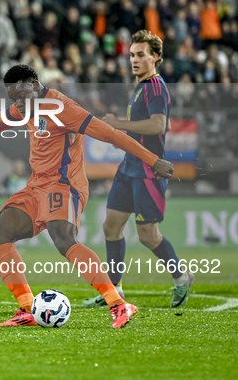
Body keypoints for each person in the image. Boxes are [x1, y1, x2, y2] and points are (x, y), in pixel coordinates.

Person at [0, 64, 174, 329]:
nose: (19, 104)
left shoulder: (63, 108)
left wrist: (152, 160)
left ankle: (118, 304)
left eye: (22, 96)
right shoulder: (24, 107)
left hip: (65, 184)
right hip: (36, 187)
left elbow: (110, 134)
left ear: (35, 86)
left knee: (63, 238)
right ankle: (26, 309)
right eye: (14, 99)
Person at [83, 30, 194, 309]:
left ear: (155, 57)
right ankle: (114, 290)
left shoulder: (156, 87)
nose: (134, 60)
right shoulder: (141, 86)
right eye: (132, 55)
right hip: (129, 167)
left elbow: (159, 125)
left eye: (141, 55)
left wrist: (118, 124)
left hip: (148, 171)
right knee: (111, 226)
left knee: (148, 235)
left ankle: (181, 278)